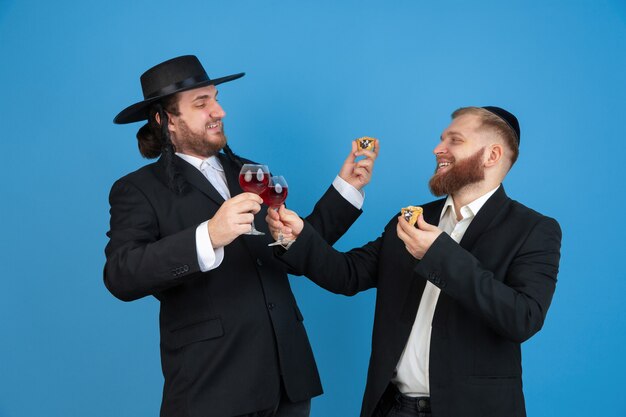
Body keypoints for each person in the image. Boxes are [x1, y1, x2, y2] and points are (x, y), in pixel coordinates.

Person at [104, 55, 378, 417]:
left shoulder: (250, 172)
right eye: (202, 103)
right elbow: (122, 275)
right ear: (165, 119)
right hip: (213, 386)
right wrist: (208, 236)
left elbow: (294, 248)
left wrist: (347, 189)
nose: (219, 111)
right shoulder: (138, 189)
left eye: (216, 98)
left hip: (289, 381)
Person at [267, 106, 562, 417]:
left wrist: (438, 255)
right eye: (441, 140)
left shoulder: (533, 230)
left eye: (455, 141)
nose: (438, 149)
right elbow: (347, 274)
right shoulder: (412, 219)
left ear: (491, 156)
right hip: (392, 408)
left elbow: (523, 318)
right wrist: (297, 236)